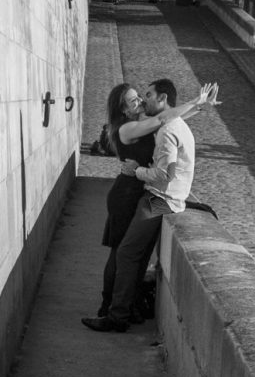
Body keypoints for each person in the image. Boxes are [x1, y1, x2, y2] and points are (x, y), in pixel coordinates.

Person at [93, 80, 217, 323]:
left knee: (128, 253)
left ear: (161, 100)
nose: (141, 100)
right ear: (124, 110)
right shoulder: (131, 127)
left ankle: (120, 312)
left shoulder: (165, 127)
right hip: (130, 195)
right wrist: (197, 103)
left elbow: (164, 171)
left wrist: (200, 105)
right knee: (123, 252)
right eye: (135, 99)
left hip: (157, 197)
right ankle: (113, 306)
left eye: (144, 95)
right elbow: (165, 119)